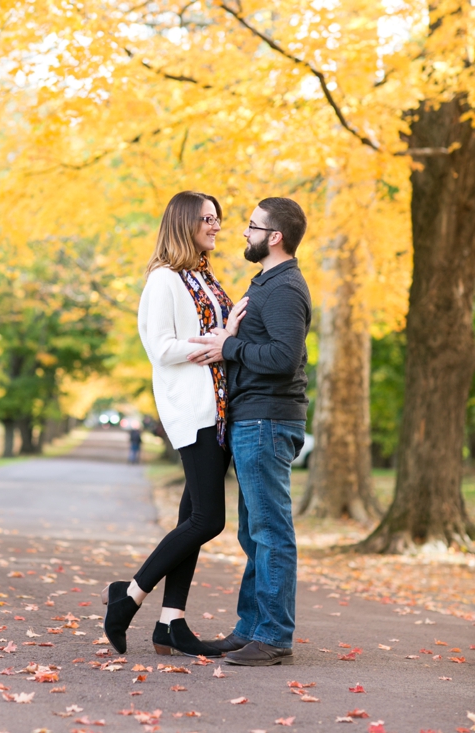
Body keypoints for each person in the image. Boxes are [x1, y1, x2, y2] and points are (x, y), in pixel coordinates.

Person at [102, 191, 248, 657]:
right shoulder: (163, 280)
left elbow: (222, 336)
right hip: (193, 409)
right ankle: (127, 598)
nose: (216, 225)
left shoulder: (203, 278)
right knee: (209, 518)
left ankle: (171, 622)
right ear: (184, 223)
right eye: (207, 218)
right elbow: (159, 346)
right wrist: (210, 345)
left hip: (221, 410)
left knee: (192, 516)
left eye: (217, 218)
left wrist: (230, 333)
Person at [187, 197, 311, 666]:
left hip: (267, 419)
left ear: (273, 236)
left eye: (253, 226)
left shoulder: (284, 288)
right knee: (252, 532)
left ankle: (274, 636)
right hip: (253, 417)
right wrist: (230, 341)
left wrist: (229, 347)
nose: (243, 232)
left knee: (270, 531)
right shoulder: (266, 283)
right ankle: (250, 629)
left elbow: (282, 358)